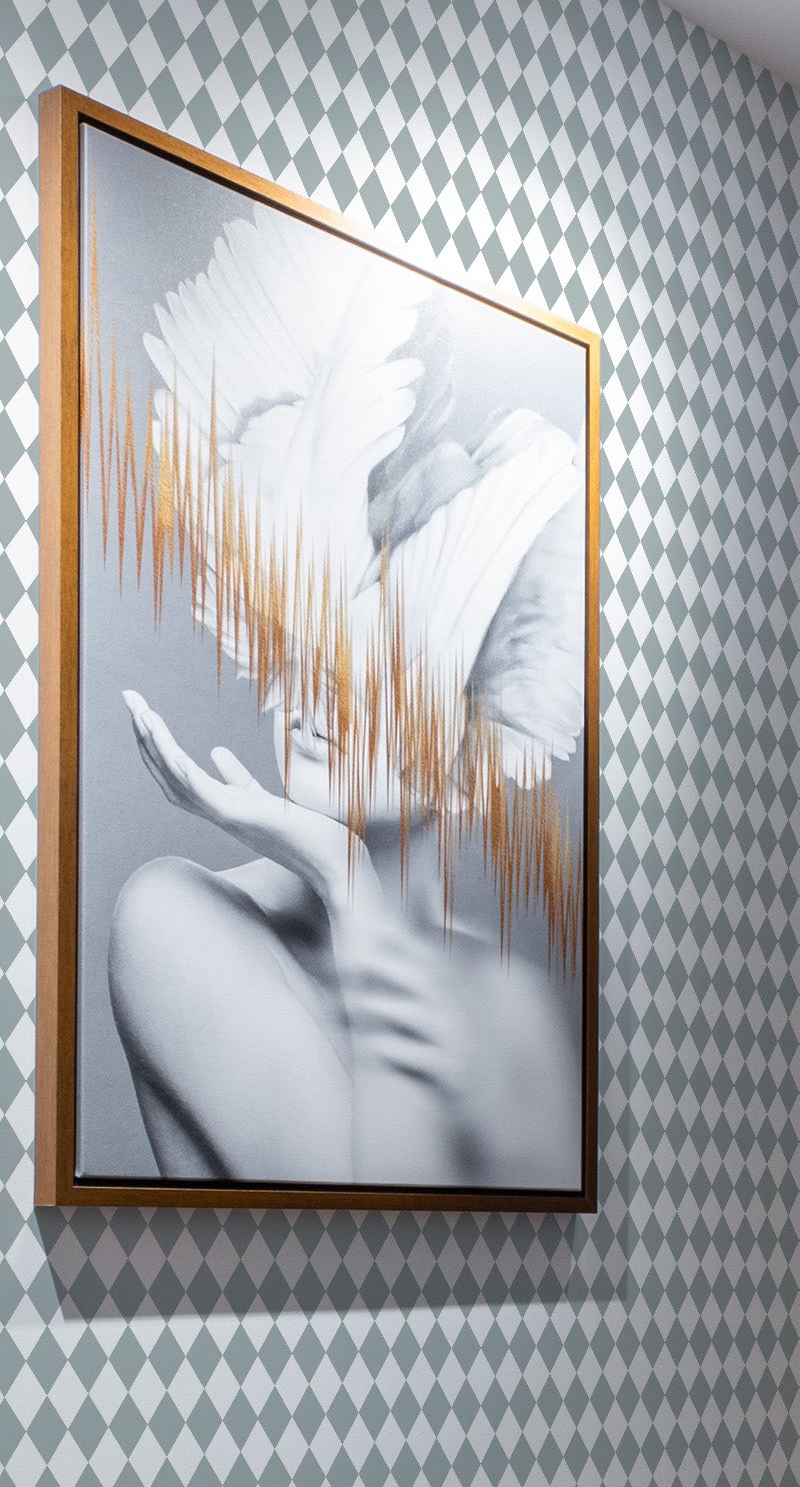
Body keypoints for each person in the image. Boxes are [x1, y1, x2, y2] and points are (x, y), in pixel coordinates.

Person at [95, 199, 585, 1190]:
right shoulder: (172, 922)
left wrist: (351, 889)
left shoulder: (515, 1009)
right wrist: (344, 879)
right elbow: (370, 1218)